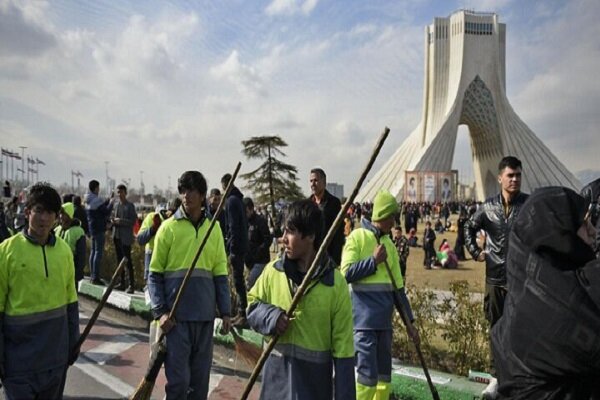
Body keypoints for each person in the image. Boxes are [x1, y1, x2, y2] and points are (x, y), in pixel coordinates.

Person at [491, 186, 599, 399]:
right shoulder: (565, 310)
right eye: (584, 224)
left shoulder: (523, 298)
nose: (593, 231)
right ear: (559, 234)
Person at [247, 200, 355, 400]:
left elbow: (344, 352)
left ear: (311, 236)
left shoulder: (334, 284)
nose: (283, 239)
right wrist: (272, 317)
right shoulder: (273, 272)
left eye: (290, 232)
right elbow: (251, 306)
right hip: (274, 388)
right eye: (283, 232)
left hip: (314, 390)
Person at [148, 171, 231, 399]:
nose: (186, 195)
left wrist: (225, 312)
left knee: (199, 384)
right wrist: (160, 313)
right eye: (183, 190)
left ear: (203, 195)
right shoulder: (168, 229)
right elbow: (154, 275)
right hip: (176, 320)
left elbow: (220, 274)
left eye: (192, 190)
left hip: (204, 318)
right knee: (178, 382)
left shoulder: (213, 229)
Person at [0, 182, 79, 399]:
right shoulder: (7, 252)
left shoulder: (63, 252)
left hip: (55, 363)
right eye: (39, 211)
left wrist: (73, 342)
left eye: (50, 212)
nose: (44, 218)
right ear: (27, 213)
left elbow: (71, 301)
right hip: (18, 366)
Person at [341, 190, 419, 400]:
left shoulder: (390, 246)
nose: (395, 221)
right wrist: (372, 262)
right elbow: (345, 274)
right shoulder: (356, 237)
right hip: (363, 325)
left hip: (385, 325)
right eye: (393, 216)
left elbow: (398, 291)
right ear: (384, 215)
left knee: (384, 380)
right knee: (366, 379)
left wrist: (410, 323)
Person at [464, 156, 529, 396]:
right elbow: (469, 226)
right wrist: (475, 252)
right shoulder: (488, 208)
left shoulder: (528, 206)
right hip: (494, 281)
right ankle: (495, 377)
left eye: (518, 175)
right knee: (495, 330)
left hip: (520, 282)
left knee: (519, 330)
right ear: (500, 178)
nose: (515, 180)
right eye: (510, 175)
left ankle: (518, 378)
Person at [221, 173, 249, 326]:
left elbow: (233, 227)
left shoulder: (231, 201)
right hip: (241, 245)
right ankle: (241, 312)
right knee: (238, 280)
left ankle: (241, 312)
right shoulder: (238, 200)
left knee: (238, 281)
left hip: (236, 247)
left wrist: (230, 247)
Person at [308, 168, 345, 266]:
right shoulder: (308, 204)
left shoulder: (334, 203)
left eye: (316, 180)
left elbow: (339, 232)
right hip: (311, 256)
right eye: (311, 181)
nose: (313, 184)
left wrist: (335, 259)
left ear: (324, 182)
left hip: (329, 256)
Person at [85, 179, 114, 285]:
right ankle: (96, 277)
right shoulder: (96, 200)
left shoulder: (89, 199)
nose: (99, 189)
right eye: (98, 187)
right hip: (99, 228)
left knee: (93, 252)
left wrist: (107, 200)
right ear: (96, 188)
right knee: (98, 252)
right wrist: (111, 203)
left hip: (92, 228)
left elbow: (100, 208)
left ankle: (92, 276)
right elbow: (106, 211)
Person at [110, 184, 137, 293]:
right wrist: (113, 221)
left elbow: (133, 221)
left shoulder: (130, 206)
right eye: (118, 192)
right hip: (116, 235)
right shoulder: (116, 205)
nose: (119, 194)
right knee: (119, 259)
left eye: (121, 192)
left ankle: (131, 285)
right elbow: (112, 217)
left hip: (125, 237)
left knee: (128, 260)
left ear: (125, 193)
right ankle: (122, 283)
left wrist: (121, 221)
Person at [55, 202, 87, 287]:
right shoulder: (57, 230)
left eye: (63, 214)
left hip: (71, 271)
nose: (61, 216)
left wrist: (78, 273)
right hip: (56, 271)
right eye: (60, 214)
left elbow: (81, 255)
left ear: (69, 215)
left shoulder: (78, 232)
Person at [243, 197, 271, 290]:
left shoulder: (260, 221)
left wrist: (258, 252)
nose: (244, 214)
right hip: (249, 262)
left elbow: (268, 240)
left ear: (251, 209)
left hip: (260, 261)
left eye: (246, 211)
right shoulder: (244, 222)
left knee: (251, 285)